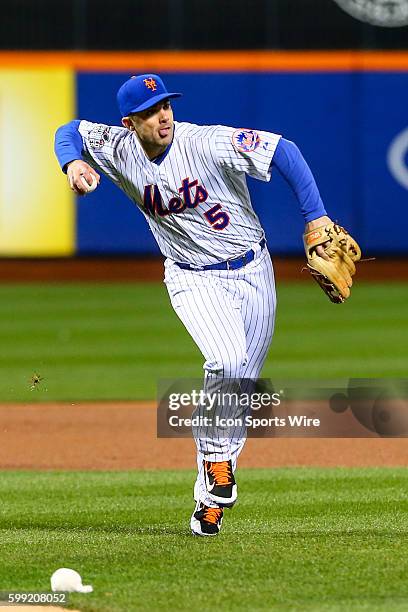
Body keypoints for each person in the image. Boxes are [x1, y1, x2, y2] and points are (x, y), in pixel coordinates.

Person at [54, 73, 331, 537]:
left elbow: (285, 150)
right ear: (130, 122)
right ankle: (216, 459)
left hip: (253, 270)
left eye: (165, 105)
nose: (162, 116)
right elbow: (69, 131)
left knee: (239, 390)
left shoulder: (207, 143)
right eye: (149, 112)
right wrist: (71, 165)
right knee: (225, 360)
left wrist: (316, 215)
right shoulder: (118, 148)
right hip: (190, 276)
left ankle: (208, 498)